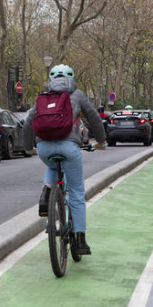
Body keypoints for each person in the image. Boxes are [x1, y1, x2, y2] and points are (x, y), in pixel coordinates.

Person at [23, 64, 106, 255]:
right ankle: (80, 239)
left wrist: (28, 147)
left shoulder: (44, 96)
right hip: (69, 147)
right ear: (72, 77)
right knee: (76, 192)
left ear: (51, 80)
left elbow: (28, 122)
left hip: (44, 147)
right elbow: (93, 118)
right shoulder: (77, 94)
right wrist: (101, 141)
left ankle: (47, 192)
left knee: (52, 165)